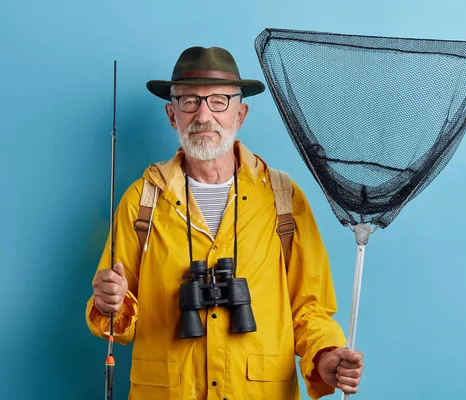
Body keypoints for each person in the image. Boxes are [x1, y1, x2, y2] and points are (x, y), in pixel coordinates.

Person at [85, 46, 364, 400]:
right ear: (173, 115)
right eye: (189, 101)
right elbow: (116, 322)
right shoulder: (143, 200)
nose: (204, 115)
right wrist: (109, 302)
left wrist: (325, 355)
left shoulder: (283, 197)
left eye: (218, 101)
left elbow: (310, 307)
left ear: (240, 113)